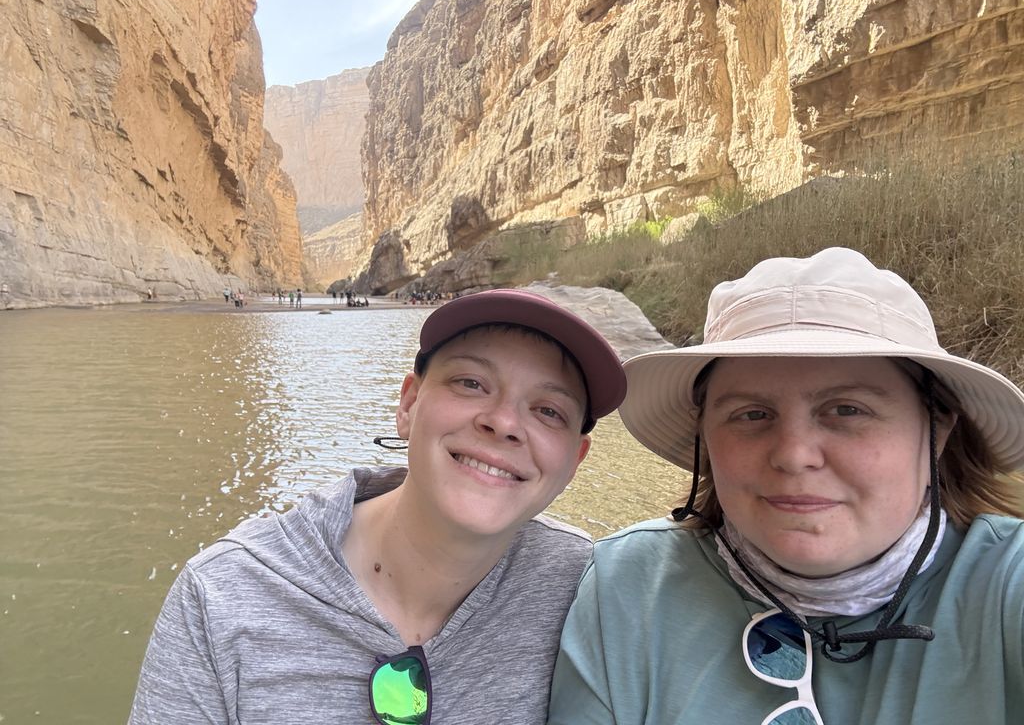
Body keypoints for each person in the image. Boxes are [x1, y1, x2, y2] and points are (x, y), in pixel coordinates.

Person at [549, 247, 1024, 725]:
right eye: (752, 414)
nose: (794, 455)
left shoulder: (1008, 586)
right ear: (705, 440)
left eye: (846, 410)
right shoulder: (627, 587)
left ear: (936, 430)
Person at [130, 289, 626, 724]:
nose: (503, 422)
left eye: (548, 411)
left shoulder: (590, 588)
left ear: (573, 462)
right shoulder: (222, 596)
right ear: (409, 405)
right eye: (471, 383)